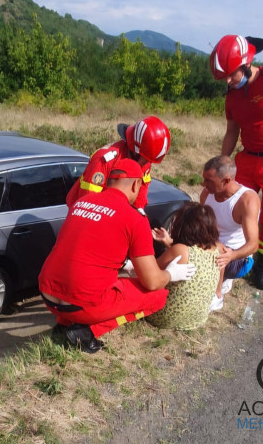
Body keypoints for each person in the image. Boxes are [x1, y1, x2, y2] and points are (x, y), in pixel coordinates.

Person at [39, 158, 196, 353]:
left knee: (97, 280)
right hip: (81, 305)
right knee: (159, 296)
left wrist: (125, 265)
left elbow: (86, 250)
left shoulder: (82, 202)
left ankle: (65, 322)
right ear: (136, 184)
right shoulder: (135, 219)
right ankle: (86, 329)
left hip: (47, 295)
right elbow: (153, 281)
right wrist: (171, 274)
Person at [209, 35, 263, 288]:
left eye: (232, 75)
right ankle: (233, 257)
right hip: (247, 157)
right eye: (224, 78)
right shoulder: (232, 95)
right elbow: (232, 130)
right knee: (230, 202)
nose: (228, 81)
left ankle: (259, 263)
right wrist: (224, 161)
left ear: (246, 63)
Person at [66, 115, 171, 214]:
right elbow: (89, 201)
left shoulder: (144, 160)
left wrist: (138, 215)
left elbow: (141, 192)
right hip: (84, 214)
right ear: (136, 150)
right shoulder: (104, 160)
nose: (149, 164)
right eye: (147, 160)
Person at [147, 202, 223, 330]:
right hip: (196, 319)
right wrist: (169, 242)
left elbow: (150, 273)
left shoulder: (180, 250)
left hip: (164, 317)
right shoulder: (217, 250)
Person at [200, 156, 260, 309]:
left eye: (209, 181)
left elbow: (253, 245)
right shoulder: (207, 193)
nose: (203, 184)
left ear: (226, 181)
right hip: (212, 245)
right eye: (204, 179)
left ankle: (217, 295)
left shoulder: (247, 200)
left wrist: (231, 255)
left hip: (237, 259)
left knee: (218, 251)